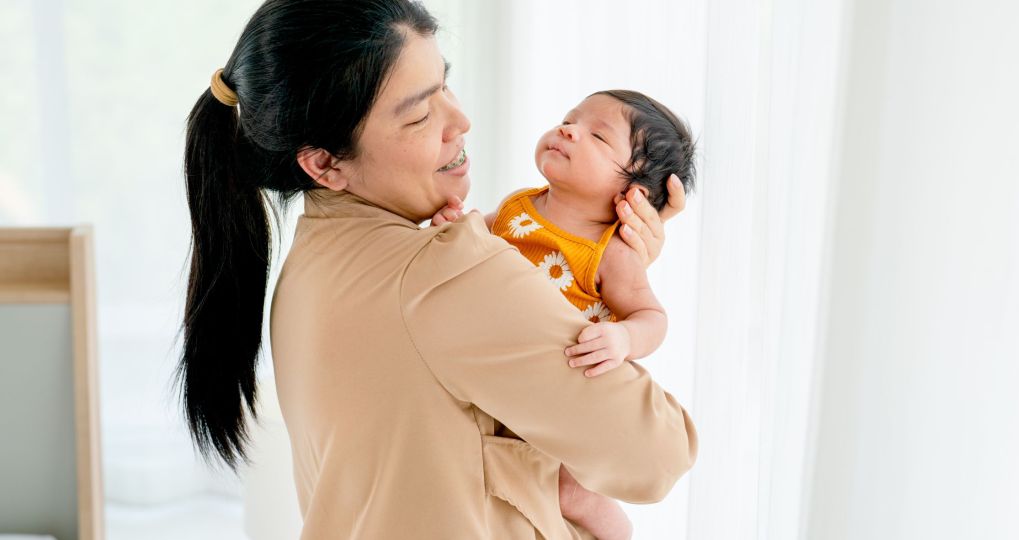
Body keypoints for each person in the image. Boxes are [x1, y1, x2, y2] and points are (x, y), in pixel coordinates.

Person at [176, 1, 697, 538]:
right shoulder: (449, 275)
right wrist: (621, 272)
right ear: (325, 163)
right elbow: (658, 455)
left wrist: (605, 258)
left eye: (445, 83)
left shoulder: (310, 263)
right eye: (421, 113)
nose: (461, 120)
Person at [431, 90, 696, 539]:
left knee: (570, 493)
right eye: (569, 120)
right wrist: (457, 227)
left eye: (597, 135)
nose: (568, 130)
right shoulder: (519, 206)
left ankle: (615, 532)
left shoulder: (610, 252)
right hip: (502, 379)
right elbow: (479, 239)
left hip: (563, 393)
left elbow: (652, 315)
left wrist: (624, 339)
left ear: (635, 190)